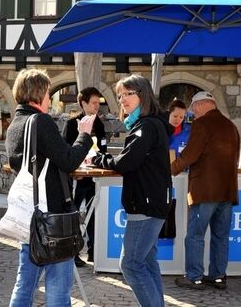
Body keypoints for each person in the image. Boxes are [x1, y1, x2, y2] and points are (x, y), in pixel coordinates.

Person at [5, 68, 95, 307]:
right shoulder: (41, 121)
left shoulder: (15, 124)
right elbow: (67, 160)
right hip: (53, 215)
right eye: (47, 91)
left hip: (30, 215)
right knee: (58, 286)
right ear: (38, 93)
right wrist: (84, 135)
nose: (49, 96)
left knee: (25, 284)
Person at [91, 74, 172, 307]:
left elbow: (126, 163)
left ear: (143, 95)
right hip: (152, 202)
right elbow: (133, 159)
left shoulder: (146, 126)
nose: (123, 100)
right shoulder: (147, 124)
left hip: (145, 204)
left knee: (130, 264)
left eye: (129, 94)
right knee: (146, 261)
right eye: (120, 95)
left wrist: (99, 159)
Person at [170, 91, 239, 290]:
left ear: (201, 105)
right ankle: (218, 276)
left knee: (195, 235)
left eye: (193, 107)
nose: (192, 111)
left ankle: (194, 277)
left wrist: (170, 169)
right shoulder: (231, 126)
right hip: (228, 191)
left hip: (205, 190)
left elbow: (190, 155)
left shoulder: (202, 124)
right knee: (220, 236)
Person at [63, 86, 106, 266]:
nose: (97, 106)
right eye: (94, 103)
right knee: (73, 214)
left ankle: (94, 251)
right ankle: (72, 253)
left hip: (94, 177)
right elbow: (65, 151)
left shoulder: (100, 124)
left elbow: (103, 148)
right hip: (76, 178)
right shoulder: (72, 124)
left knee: (94, 213)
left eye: (98, 103)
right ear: (84, 104)